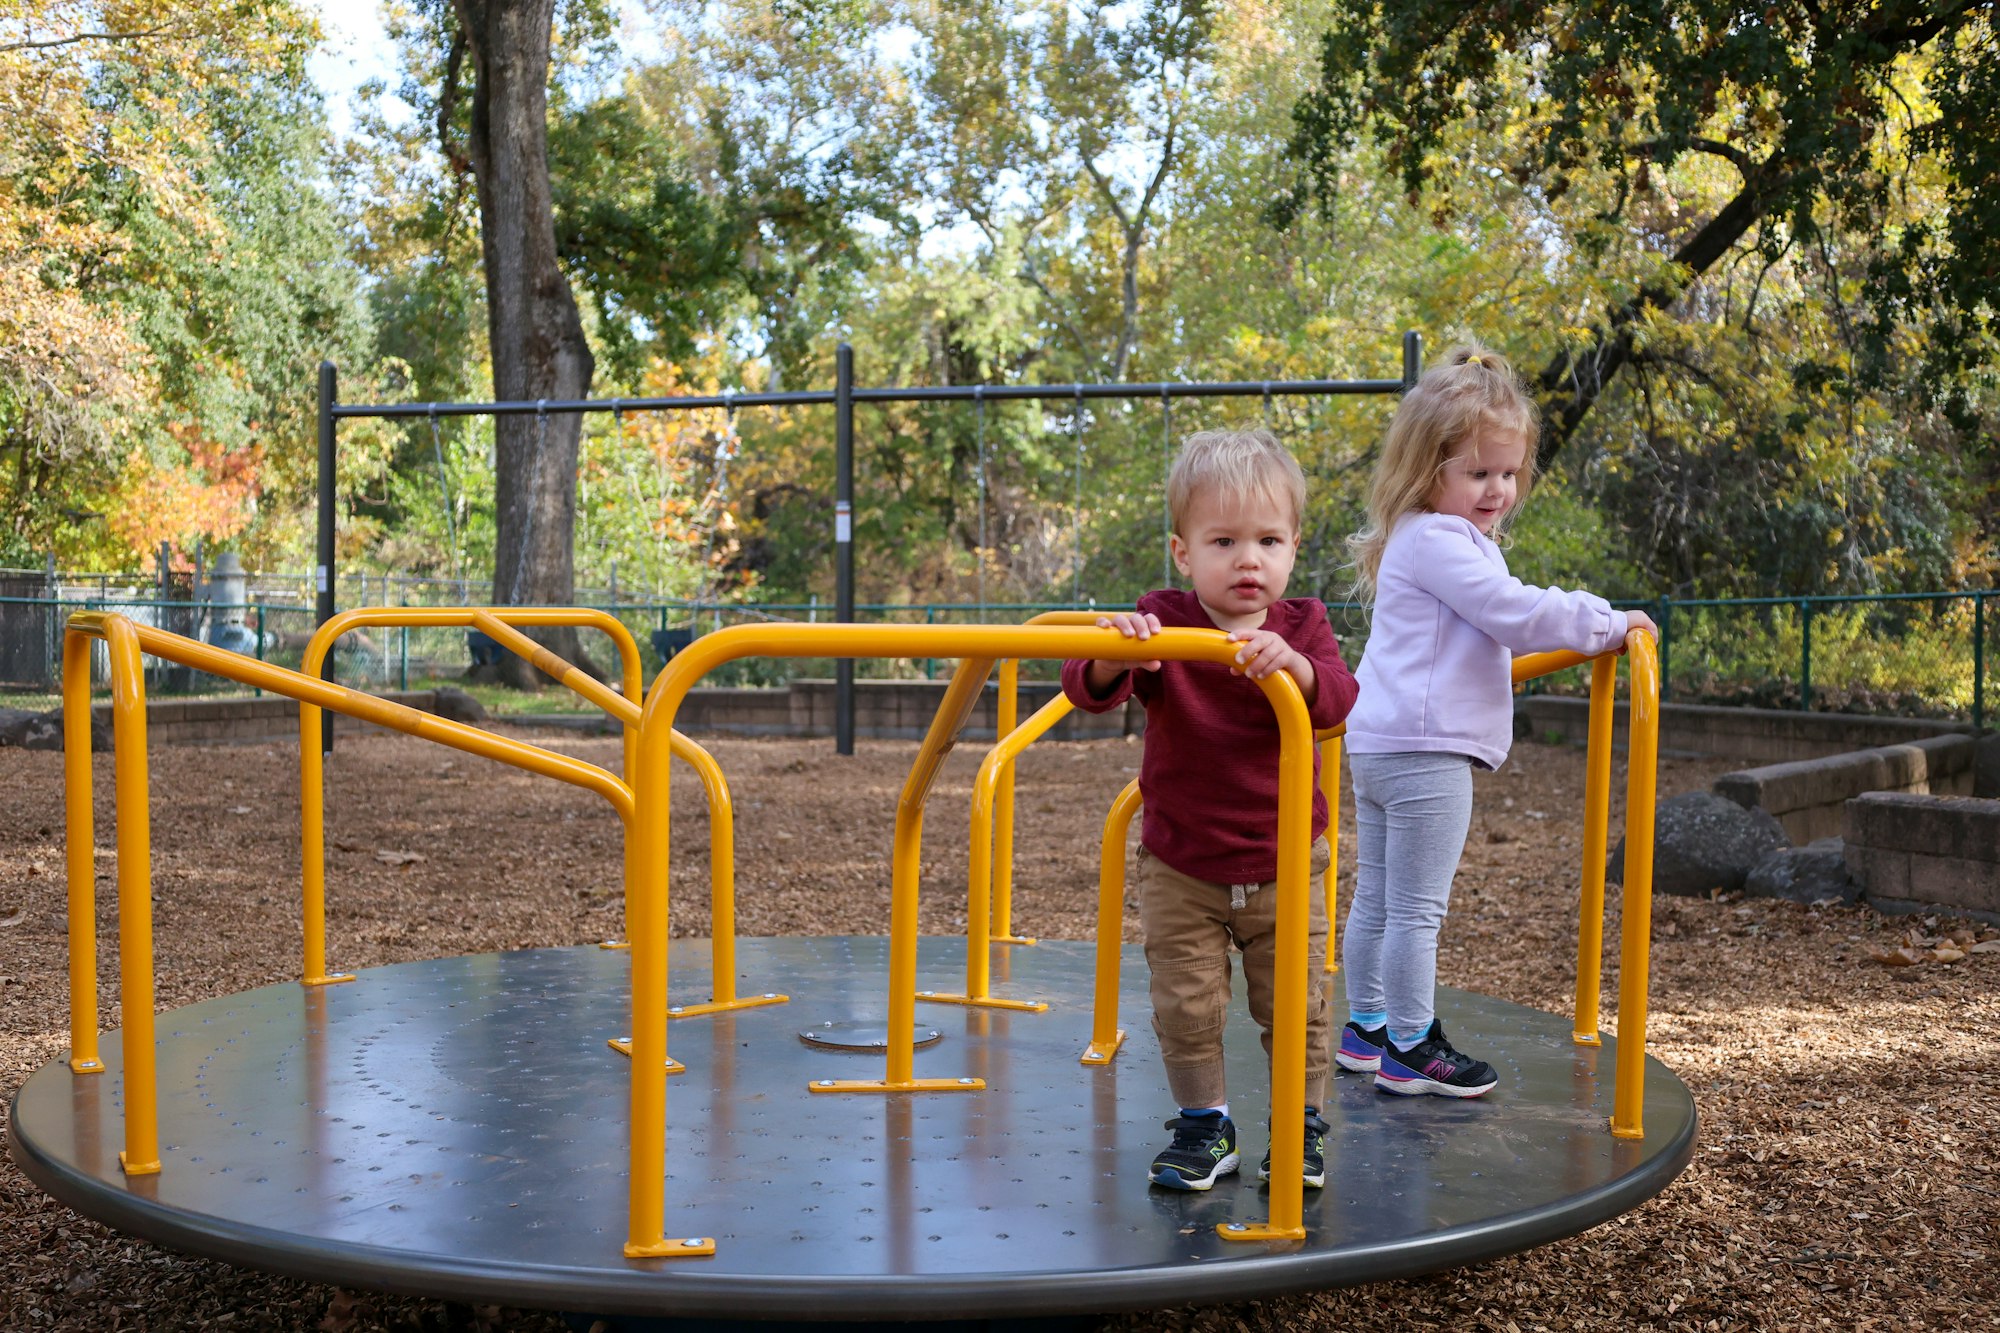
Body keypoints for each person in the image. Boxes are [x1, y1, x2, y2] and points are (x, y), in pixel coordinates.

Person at [1338, 344, 1657, 1097]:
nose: (1497, 490)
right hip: (1426, 751)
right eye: (1478, 473)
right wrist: (1605, 621)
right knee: (1415, 908)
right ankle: (1412, 1047)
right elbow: (1513, 613)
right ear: (1428, 470)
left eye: (1508, 473)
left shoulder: (1415, 537)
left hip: (1380, 743)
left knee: (1378, 898)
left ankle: (1366, 1028)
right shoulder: (1444, 542)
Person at [1061, 428, 1359, 1191]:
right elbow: (1085, 691)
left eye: (1267, 539)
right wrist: (1116, 653)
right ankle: (1206, 1126)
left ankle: (1300, 1127)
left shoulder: (1303, 627)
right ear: (1184, 552)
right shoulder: (1162, 620)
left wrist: (1293, 668)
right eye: (1224, 540)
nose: (1248, 559)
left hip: (1287, 857)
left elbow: (1338, 701)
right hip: (1181, 863)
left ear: (1293, 546)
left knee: (1298, 1004)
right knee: (1186, 1005)